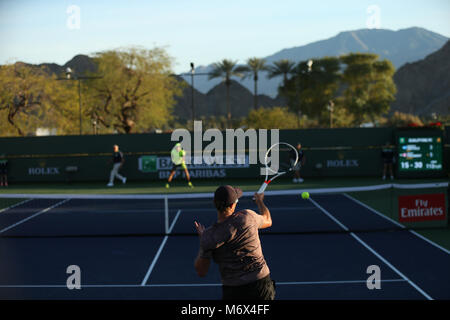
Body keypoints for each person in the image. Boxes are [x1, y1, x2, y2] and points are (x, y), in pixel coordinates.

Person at [194, 185, 275, 300]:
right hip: (261, 286)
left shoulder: (209, 236)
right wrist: (260, 202)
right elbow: (268, 220)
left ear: (214, 203)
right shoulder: (248, 217)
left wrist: (204, 241)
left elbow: (201, 272)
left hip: (233, 291)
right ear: (233, 205)